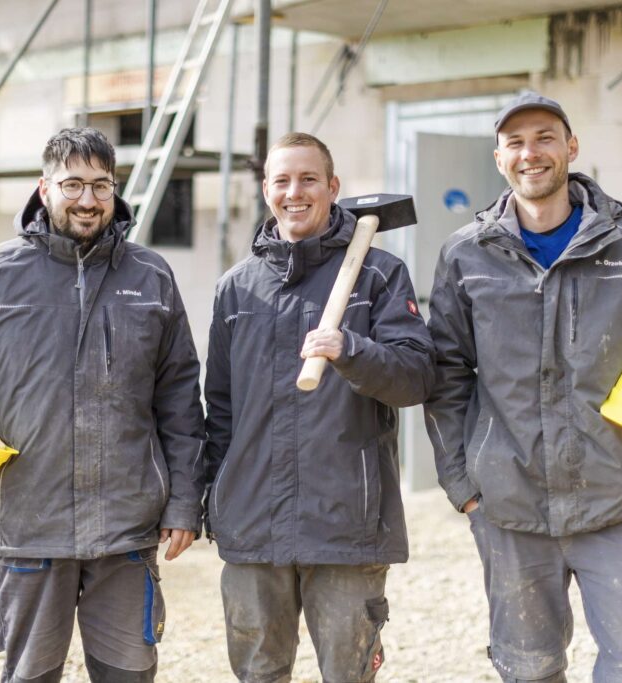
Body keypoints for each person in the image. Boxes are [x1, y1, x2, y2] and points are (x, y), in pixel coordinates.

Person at [423, 92, 622, 682]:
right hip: (509, 508)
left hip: (615, 504)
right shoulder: (466, 256)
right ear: (499, 157)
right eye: (516, 143)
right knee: (529, 669)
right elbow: (446, 374)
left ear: (571, 148)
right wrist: (463, 486)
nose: (531, 153)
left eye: (545, 138)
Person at [0, 127, 205, 683]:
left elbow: (179, 395)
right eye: (73, 184)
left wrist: (183, 503)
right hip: (26, 526)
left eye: (101, 185)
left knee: (129, 673)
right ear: (44, 187)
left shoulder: (150, 275)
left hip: (126, 531)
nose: (87, 199)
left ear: (115, 188)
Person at [203, 132, 435, 683]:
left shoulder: (378, 275)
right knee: (258, 672)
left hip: (346, 523)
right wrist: (209, 502)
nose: (295, 192)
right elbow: (220, 410)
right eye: (282, 181)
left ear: (333, 188)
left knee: (348, 674)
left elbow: (416, 378)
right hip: (253, 523)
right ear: (266, 191)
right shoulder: (236, 289)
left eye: (309, 179)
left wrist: (351, 350)